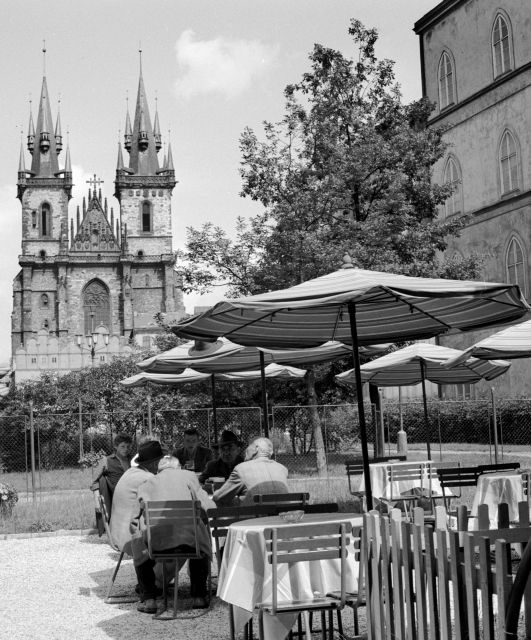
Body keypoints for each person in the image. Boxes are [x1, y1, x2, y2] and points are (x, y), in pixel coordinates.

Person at [133, 455, 214, 612]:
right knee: (201, 544)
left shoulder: (148, 483)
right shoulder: (189, 476)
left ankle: (149, 600)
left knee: (139, 546)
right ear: (179, 467)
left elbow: (135, 515)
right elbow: (209, 507)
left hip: (157, 544)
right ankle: (198, 596)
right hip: (189, 542)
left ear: (159, 470)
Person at [109, 440, 164, 554]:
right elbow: (160, 504)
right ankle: (163, 571)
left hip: (118, 535)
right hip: (131, 540)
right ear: (155, 463)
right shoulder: (148, 478)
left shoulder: (130, 471)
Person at [212, 437, 289, 506]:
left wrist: (212, 492)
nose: (245, 450)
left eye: (248, 446)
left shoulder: (241, 469)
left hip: (254, 520)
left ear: (256, 449)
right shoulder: (282, 469)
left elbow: (218, 497)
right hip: (282, 518)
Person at [91, 433, 133, 534]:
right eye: (122, 446)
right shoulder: (107, 460)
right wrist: (97, 503)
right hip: (115, 497)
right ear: (115, 446)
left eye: (128, 447)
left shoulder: (133, 460)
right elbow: (95, 481)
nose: (125, 449)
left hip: (132, 496)